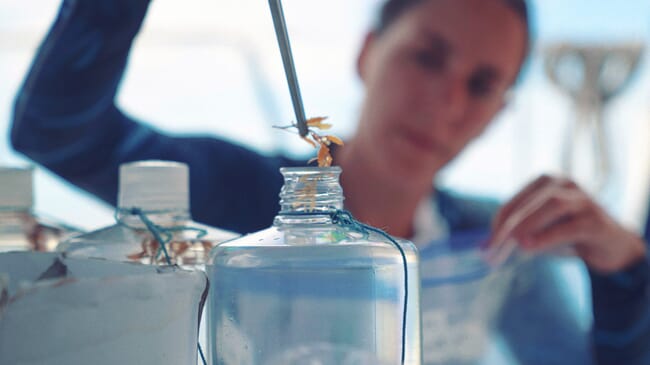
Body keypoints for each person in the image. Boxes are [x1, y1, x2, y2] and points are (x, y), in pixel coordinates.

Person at [10, 0, 649, 363]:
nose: (444, 102)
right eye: (426, 56)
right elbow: (58, 131)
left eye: (481, 85)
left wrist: (625, 270)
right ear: (368, 52)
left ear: (497, 114)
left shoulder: (496, 242)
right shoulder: (236, 197)